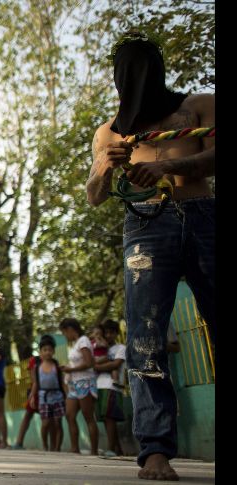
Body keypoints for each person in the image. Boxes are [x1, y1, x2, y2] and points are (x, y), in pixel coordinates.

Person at [85, 30, 214, 481]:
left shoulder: (197, 107)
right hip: (145, 225)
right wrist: (105, 166)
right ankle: (155, 450)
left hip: (203, 215)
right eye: (127, 70)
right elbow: (94, 195)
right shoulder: (109, 131)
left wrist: (165, 165)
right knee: (145, 337)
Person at [59, 318, 99, 455]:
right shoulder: (76, 344)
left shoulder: (83, 341)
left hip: (85, 382)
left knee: (88, 416)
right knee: (69, 415)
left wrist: (70, 369)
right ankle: (74, 448)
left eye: (64, 332)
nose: (65, 336)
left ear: (70, 329)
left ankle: (94, 451)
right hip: (74, 384)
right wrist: (68, 368)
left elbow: (88, 363)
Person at [93, 319, 127, 457]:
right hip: (99, 385)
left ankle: (111, 449)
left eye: (111, 332)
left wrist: (96, 367)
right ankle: (117, 449)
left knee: (109, 417)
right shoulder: (101, 348)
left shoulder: (121, 348)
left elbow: (115, 364)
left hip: (112, 386)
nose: (108, 335)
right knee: (106, 418)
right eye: (106, 332)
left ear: (116, 333)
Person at [31, 335, 67, 452]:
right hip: (43, 398)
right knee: (45, 423)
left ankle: (57, 448)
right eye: (45, 350)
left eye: (50, 350)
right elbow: (36, 383)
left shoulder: (57, 366)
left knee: (58, 422)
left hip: (58, 397)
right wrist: (32, 397)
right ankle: (45, 446)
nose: (47, 352)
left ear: (54, 351)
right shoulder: (37, 368)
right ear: (40, 352)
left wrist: (67, 396)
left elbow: (62, 382)